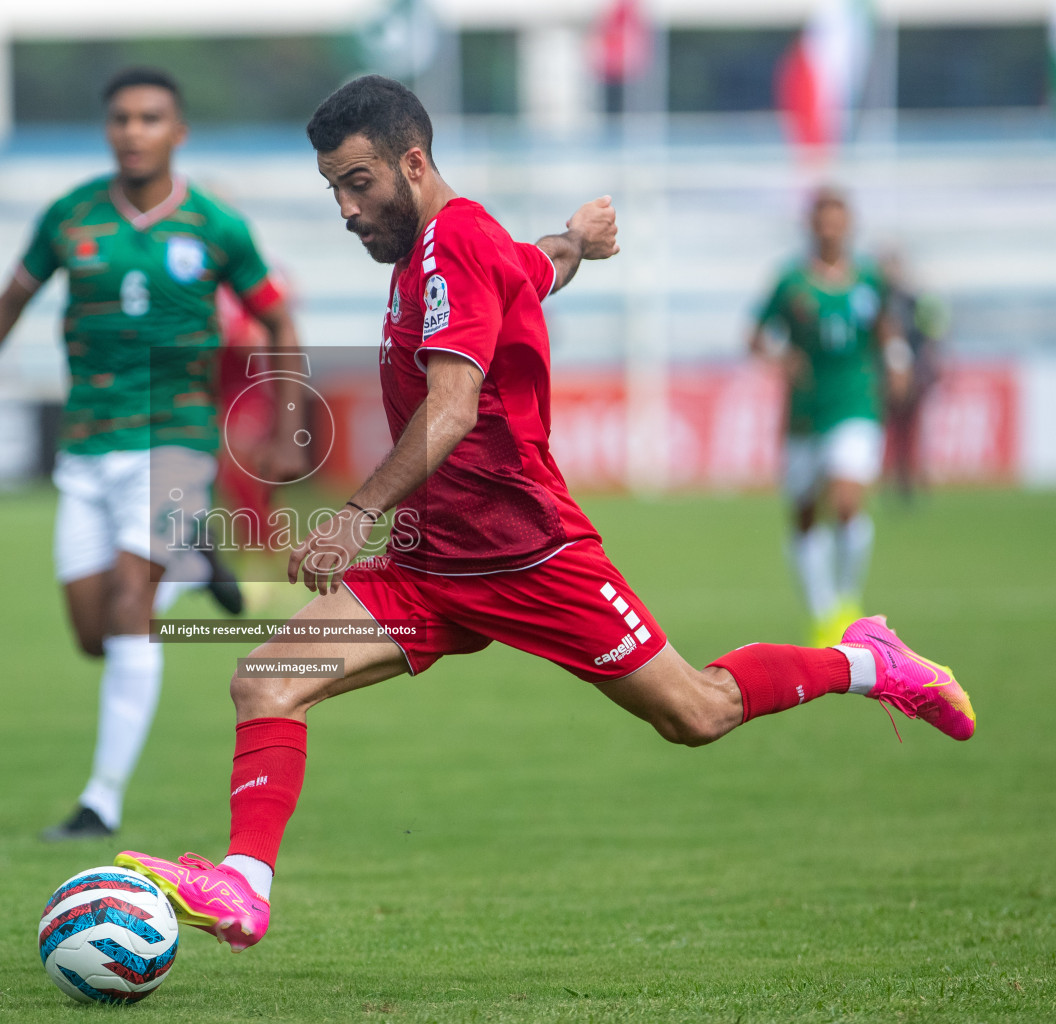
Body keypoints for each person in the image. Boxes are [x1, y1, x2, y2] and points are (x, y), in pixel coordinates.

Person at [112, 76, 975, 953]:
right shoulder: (446, 247)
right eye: (332, 186)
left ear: (414, 163)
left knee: (697, 713)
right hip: (434, 566)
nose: (344, 206)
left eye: (359, 182)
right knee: (264, 679)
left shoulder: (452, 244)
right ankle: (243, 888)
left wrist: (355, 514)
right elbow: (532, 268)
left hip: (528, 555)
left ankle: (867, 662)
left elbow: (451, 407)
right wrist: (576, 239)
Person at [0, 68, 307, 842]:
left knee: (128, 612)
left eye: (150, 117)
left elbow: (280, 325)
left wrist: (290, 428)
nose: (133, 130)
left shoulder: (216, 227)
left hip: (177, 441)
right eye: (121, 117)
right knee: (94, 634)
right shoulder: (70, 216)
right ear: (107, 129)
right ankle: (192, 571)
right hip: (89, 446)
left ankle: (101, 801)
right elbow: (9, 302)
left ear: (177, 132)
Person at [748, 188, 908, 645]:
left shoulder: (869, 279)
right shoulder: (791, 282)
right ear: (811, 226)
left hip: (857, 402)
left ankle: (848, 603)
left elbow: (885, 327)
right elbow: (756, 336)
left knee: (846, 500)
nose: (830, 229)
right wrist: (780, 360)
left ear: (849, 225)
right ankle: (821, 613)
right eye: (823, 221)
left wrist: (896, 362)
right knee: (803, 514)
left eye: (838, 221)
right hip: (804, 412)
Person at [877, 250, 946, 501]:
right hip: (883, 375)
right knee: (885, 430)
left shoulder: (911, 301)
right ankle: (884, 479)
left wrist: (928, 366)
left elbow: (929, 336)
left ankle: (909, 480)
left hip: (913, 374)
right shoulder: (876, 301)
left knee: (910, 430)